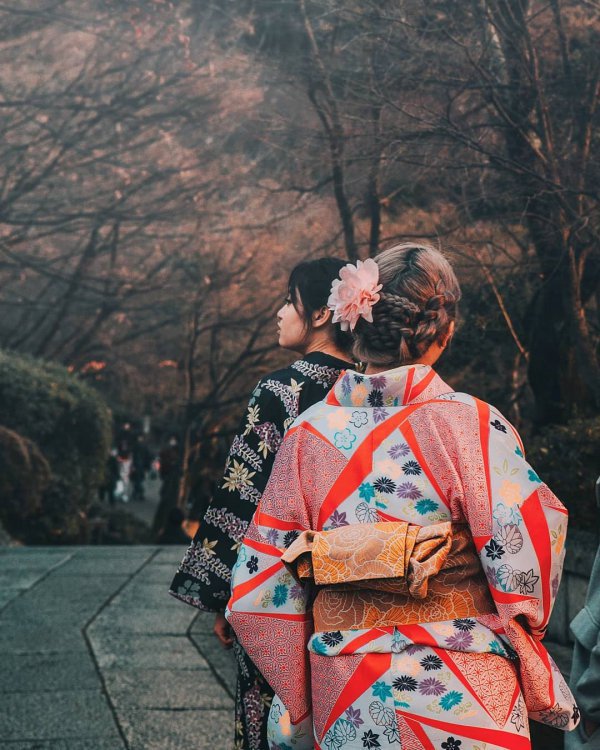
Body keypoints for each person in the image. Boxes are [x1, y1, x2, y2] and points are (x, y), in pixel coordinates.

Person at [227, 243, 579, 749]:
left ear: (356, 322)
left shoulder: (306, 436)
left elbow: (259, 590)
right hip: (465, 679)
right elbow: (530, 549)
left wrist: (299, 697)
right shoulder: (472, 426)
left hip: (347, 687)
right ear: (446, 329)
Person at [169, 257, 354, 750]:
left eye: (288, 302)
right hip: (355, 580)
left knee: (273, 711)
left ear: (318, 314)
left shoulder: (280, 391)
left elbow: (241, 493)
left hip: (279, 583)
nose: (279, 313)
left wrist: (222, 597)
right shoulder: (373, 389)